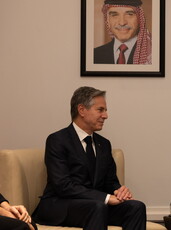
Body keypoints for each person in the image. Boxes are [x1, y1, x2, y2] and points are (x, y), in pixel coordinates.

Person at [32, 86, 146, 230]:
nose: (106, 115)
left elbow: (111, 182)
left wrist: (118, 191)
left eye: (105, 110)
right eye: (100, 110)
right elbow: (63, 186)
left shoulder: (104, 144)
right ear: (81, 110)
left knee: (136, 207)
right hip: (61, 205)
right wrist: (105, 198)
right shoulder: (57, 140)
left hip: (94, 206)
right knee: (97, 206)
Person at [94, 0, 152, 65]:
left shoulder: (154, 53)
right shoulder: (94, 55)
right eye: (114, 15)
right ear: (107, 20)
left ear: (140, 19)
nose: (122, 23)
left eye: (129, 14)